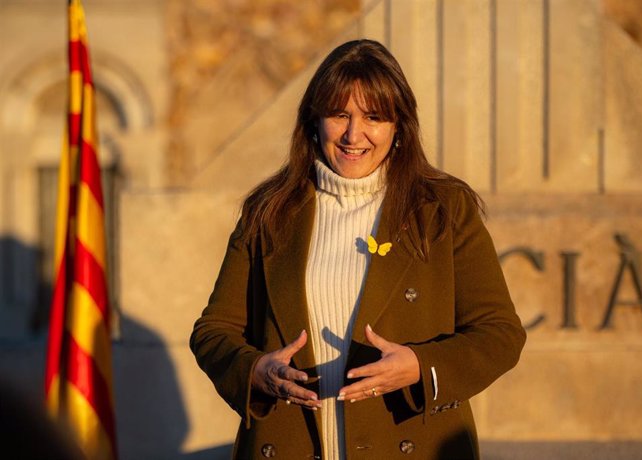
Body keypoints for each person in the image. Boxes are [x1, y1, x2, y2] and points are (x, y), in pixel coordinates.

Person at [190, 39, 526, 460]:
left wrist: (420, 367)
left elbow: (501, 334)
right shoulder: (268, 210)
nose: (354, 134)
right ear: (314, 121)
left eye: (374, 117)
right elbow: (213, 332)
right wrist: (256, 371)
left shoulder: (444, 209)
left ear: (399, 126)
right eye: (339, 115)